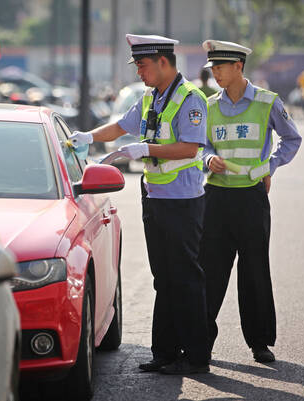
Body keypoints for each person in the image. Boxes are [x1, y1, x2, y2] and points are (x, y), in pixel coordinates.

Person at [69, 34, 210, 374]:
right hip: (154, 196)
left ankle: (195, 356)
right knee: (163, 277)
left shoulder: (190, 98)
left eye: (143, 66)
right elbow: (120, 127)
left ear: (164, 62)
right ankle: (164, 352)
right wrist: (88, 136)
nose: (139, 73)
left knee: (185, 277)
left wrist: (146, 149)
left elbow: (191, 148)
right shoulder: (152, 97)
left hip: (182, 200)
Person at [200, 40, 302, 363]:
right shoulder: (208, 106)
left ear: (238, 66)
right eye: (212, 68)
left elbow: (292, 138)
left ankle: (259, 342)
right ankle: (200, 339)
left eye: (219, 67)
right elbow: (199, 146)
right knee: (210, 269)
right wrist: (208, 159)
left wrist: (269, 165)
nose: (214, 73)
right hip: (216, 197)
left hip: (251, 197)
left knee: (254, 268)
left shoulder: (267, 102)